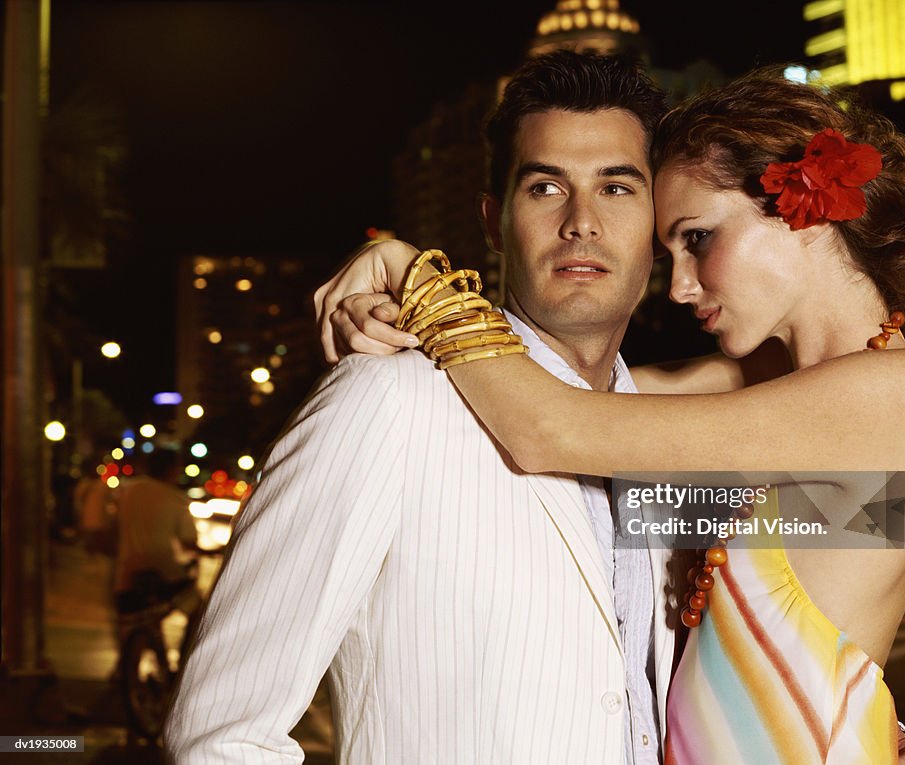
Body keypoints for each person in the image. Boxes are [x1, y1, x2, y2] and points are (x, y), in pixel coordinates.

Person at [315, 66, 905, 764]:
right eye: (670, 251)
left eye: (699, 238)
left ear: (804, 214)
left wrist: (418, 278)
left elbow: (553, 425)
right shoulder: (768, 385)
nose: (680, 285)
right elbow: (562, 381)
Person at [165, 51, 677, 764]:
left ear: (659, 221)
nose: (581, 221)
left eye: (617, 188)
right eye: (545, 188)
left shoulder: (669, 434)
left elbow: (871, 522)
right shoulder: (385, 402)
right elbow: (221, 733)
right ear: (495, 221)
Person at [112, 447, 203, 639]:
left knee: (126, 621)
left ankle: (125, 662)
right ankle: (185, 662)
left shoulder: (127, 490)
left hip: (127, 573)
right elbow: (188, 541)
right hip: (163, 572)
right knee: (199, 613)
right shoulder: (176, 498)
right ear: (173, 469)